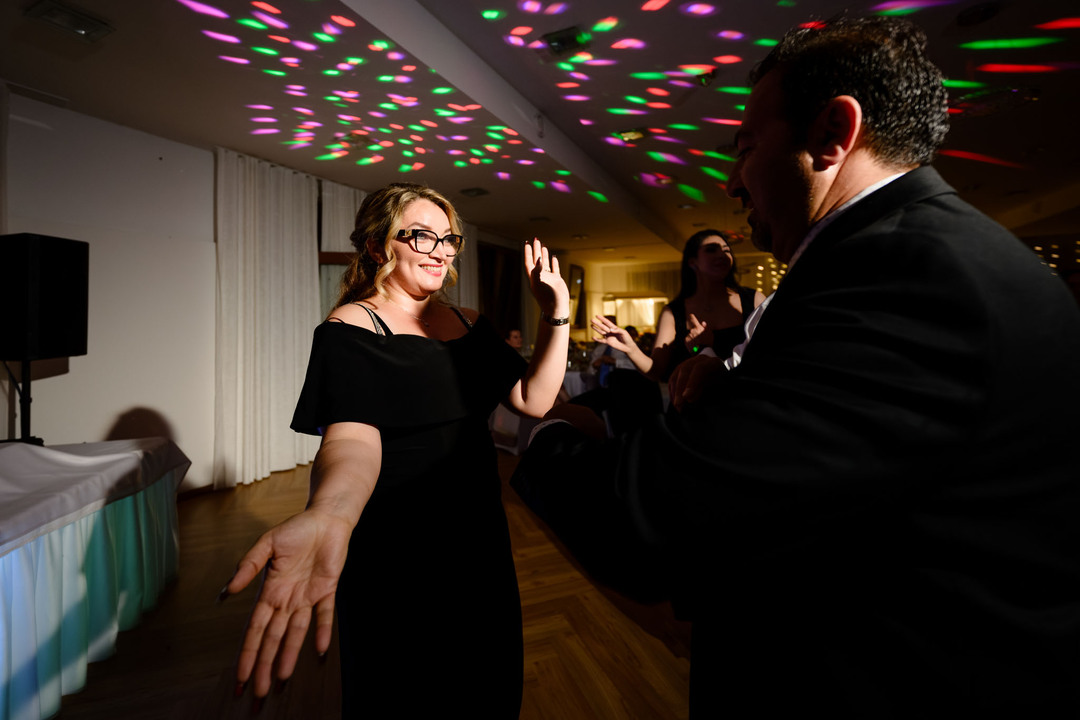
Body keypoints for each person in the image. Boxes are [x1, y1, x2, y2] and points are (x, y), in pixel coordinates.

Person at [511, 16, 1080, 718]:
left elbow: (654, 525)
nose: (733, 178)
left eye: (746, 147)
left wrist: (540, 436)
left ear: (830, 135)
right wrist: (734, 387)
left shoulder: (906, 273)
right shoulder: (930, 252)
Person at [224, 183, 570, 716]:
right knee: (403, 690)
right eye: (422, 235)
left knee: (487, 681)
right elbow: (351, 440)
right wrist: (331, 512)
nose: (441, 250)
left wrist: (556, 311)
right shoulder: (349, 329)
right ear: (379, 245)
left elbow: (533, 398)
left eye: (448, 238)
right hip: (398, 544)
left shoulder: (469, 323)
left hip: (478, 535)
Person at [591, 230, 765, 382]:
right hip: (692, 408)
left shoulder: (754, 300)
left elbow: (768, 356)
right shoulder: (674, 312)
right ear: (692, 262)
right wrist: (631, 348)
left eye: (727, 250)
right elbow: (655, 371)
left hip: (743, 401)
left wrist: (700, 348)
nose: (722, 255)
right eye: (712, 250)